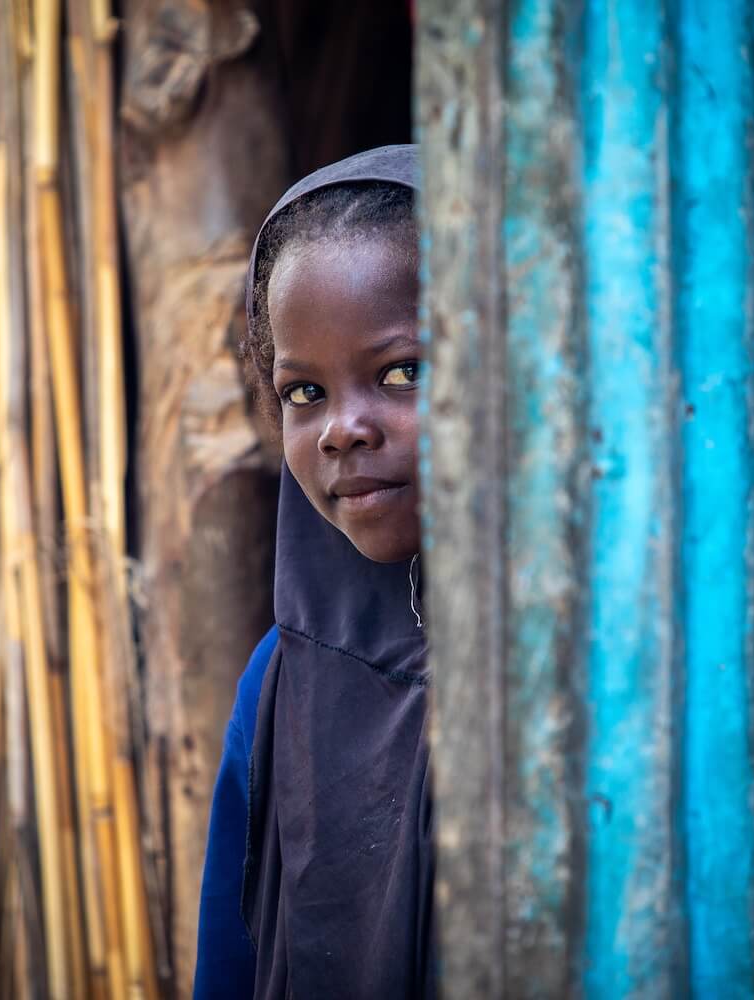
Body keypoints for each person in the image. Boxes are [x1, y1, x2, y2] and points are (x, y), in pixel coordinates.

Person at [192, 144, 433, 999]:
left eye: (404, 372)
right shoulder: (278, 687)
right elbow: (230, 959)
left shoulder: (592, 669)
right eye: (304, 394)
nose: (343, 430)